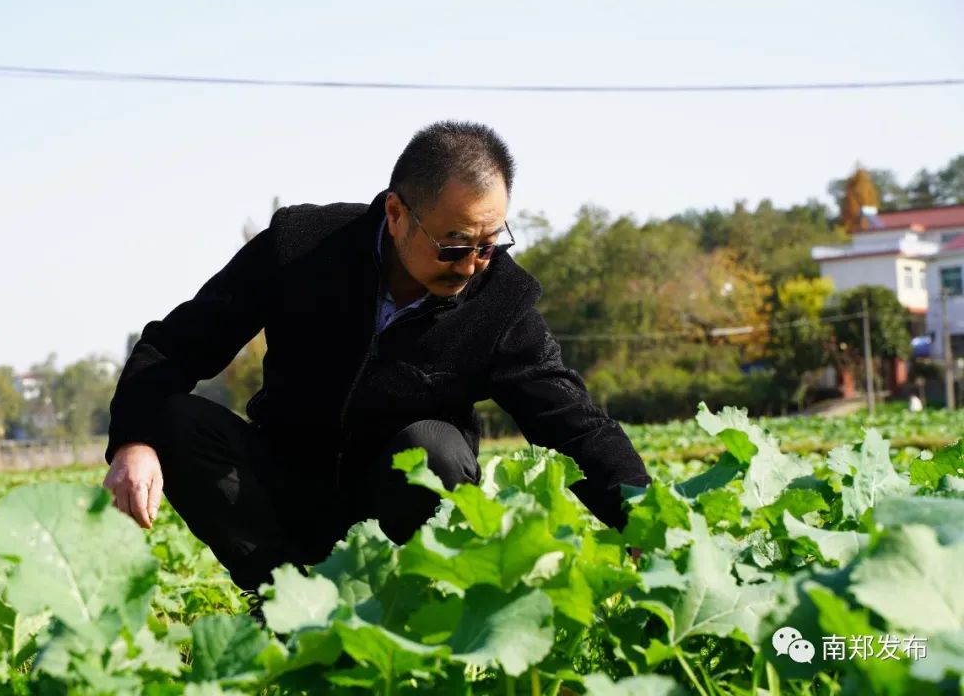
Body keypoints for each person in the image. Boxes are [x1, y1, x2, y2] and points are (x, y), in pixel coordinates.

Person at [102, 121, 651, 591]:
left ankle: (400, 600)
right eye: (455, 245)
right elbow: (175, 345)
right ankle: (282, 600)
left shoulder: (501, 302)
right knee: (174, 421)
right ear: (396, 212)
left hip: (394, 509)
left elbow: (575, 424)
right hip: (289, 485)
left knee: (434, 448)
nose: (472, 266)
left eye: (490, 244)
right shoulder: (301, 247)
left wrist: (647, 525)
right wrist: (132, 438)